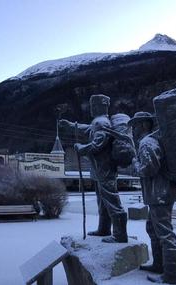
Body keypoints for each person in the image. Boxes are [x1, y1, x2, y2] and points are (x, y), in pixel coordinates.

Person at [60, 94, 128, 243]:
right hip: (100, 169)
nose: (90, 109)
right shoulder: (98, 122)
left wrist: (81, 148)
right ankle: (104, 228)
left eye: (92, 106)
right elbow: (88, 129)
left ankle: (120, 234)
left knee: (111, 201)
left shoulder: (101, 123)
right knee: (102, 201)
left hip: (105, 169)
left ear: (98, 106)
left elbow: (98, 144)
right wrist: (72, 126)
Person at [129, 111, 176, 284]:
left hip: (160, 194)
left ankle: (171, 277)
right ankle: (159, 265)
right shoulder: (151, 141)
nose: (133, 129)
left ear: (144, 125)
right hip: (158, 194)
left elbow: (148, 169)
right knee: (153, 229)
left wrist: (134, 164)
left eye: (136, 125)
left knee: (165, 235)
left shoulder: (147, 143)